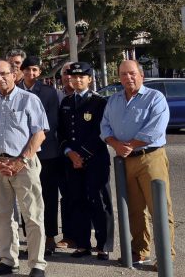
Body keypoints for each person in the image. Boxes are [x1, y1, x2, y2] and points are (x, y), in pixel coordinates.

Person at [0, 59, 50, 277]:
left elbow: (39, 134)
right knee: (2, 216)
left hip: (24, 164)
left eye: (3, 74)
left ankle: (37, 264)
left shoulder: (29, 100)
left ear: (14, 74)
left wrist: (21, 160)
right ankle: (8, 260)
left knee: (33, 214)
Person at [101, 60, 174, 268]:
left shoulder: (155, 98)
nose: (128, 78)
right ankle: (140, 250)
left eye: (132, 73)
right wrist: (115, 144)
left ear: (141, 75)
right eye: (123, 74)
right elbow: (104, 126)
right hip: (125, 161)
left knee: (159, 209)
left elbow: (156, 129)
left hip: (150, 158)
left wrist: (131, 144)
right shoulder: (114, 100)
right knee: (134, 210)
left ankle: (166, 257)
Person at [57, 62, 114, 261]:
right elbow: (61, 132)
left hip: (95, 159)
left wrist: (82, 154)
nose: (77, 80)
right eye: (74, 77)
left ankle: (103, 245)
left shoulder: (99, 102)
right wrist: (70, 153)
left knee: (99, 201)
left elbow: (101, 132)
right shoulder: (66, 102)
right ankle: (82, 244)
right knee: (77, 200)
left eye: (82, 77)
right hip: (72, 161)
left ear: (90, 79)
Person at [19, 55, 64, 256]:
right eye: (27, 69)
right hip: (20, 152)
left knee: (48, 196)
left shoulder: (48, 93)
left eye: (35, 70)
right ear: (22, 70)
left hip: (46, 152)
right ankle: (31, 239)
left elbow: (51, 123)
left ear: (39, 72)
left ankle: (50, 237)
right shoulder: (15, 90)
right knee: (26, 198)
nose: (31, 73)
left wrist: (34, 143)